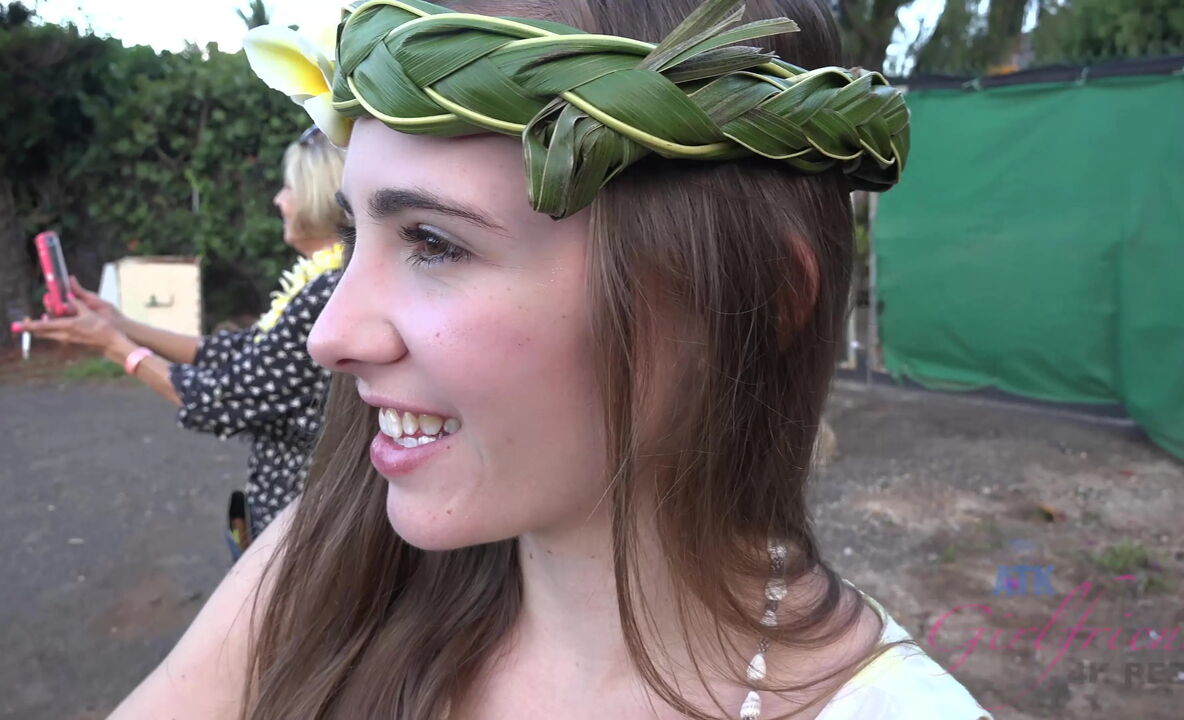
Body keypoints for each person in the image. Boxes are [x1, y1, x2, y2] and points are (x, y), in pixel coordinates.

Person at [109, 1, 992, 718]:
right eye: (353, 234)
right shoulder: (322, 563)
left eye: (433, 242)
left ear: (755, 302)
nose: (329, 335)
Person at [16, 126, 346, 550]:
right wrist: (119, 324)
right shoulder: (324, 282)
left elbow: (221, 399)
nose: (278, 200)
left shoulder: (326, 292)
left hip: (301, 523)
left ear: (318, 195)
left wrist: (112, 345)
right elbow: (232, 351)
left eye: (288, 188)